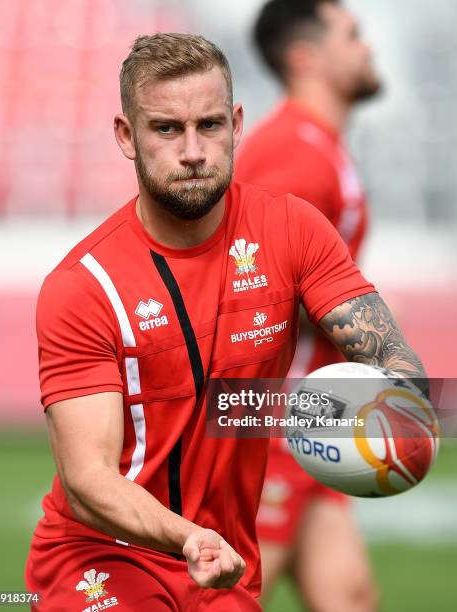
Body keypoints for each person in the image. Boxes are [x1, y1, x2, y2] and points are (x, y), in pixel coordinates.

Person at [25, 32, 425, 611]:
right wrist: (188, 537)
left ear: (236, 124)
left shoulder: (293, 230)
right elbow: (88, 483)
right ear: (125, 136)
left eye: (209, 125)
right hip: (99, 561)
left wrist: (405, 407)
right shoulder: (83, 286)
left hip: (225, 567)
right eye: (166, 129)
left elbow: (385, 352)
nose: (192, 151)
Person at [236, 1, 382, 609]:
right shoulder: (295, 156)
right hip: (275, 419)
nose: (368, 47)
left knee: (348, 594)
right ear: (306, 57)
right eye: (352, 35)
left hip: (314, 412)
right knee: (232, 594)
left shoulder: (316, 146)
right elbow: (251, 289)